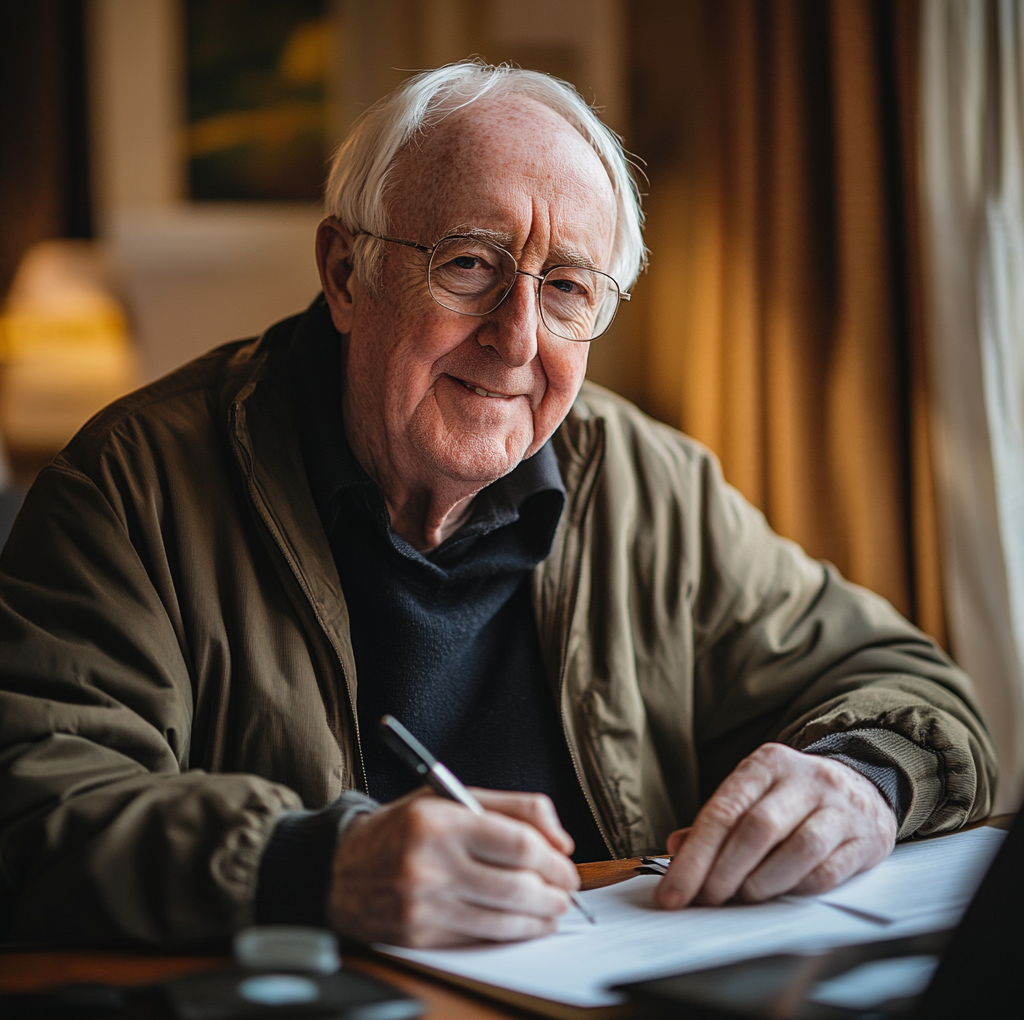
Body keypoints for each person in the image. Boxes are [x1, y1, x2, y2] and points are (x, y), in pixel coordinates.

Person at [0, 63, 996, 948]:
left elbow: (910, 683)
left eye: (567, 288)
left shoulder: (650, 483)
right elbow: (30, 802)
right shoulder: (133, 484)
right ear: (346, 273)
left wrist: (859, 778)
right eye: (470, 264)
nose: (516, 338)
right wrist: (315, 865)